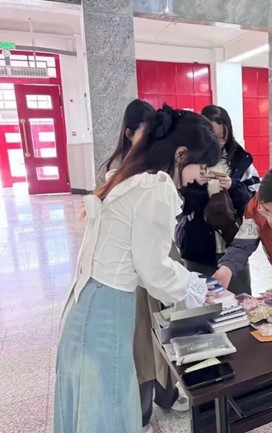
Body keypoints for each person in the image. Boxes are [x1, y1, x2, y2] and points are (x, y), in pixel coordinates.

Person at [54, 106, 220, 433]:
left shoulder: (129, 176)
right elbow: (154, 272)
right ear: (181, 154)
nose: (199, 176)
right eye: (200, 166)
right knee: (107, 406)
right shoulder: (155, 187)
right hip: (105, 309)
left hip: (86, 303)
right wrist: (195, 287)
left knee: (94, 403)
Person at [95, 100, 187, 433]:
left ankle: (167, 393)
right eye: (144, 135)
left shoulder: (156, 167)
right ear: (128, 133)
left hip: (158, 260)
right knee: (140, 340)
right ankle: (142, 406)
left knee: (166, 328)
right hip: (133, 274)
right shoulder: (116, 173)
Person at [175, 105, 259, 294]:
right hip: (198, 249)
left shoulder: (241, 160)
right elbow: (179, 209)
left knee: (239, 300)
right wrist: (196, 187)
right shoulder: (187, 162)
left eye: (223, 137)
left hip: (233, 246)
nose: (218, 143)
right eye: (213, 137)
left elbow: (253, 205)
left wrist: (233, 186)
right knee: (202, 301)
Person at [96, 99, 155, 185]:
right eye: (146, 135)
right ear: (129, 134)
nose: (151, 140)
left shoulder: (161, 166)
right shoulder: (109, 170)